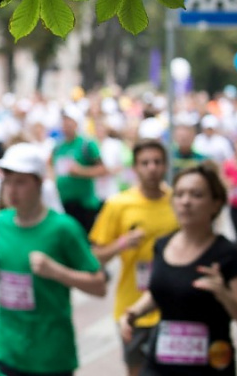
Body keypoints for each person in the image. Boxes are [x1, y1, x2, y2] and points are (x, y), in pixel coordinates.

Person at [0, 142, 107, 375]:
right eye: (7, 181)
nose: (12, 190)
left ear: (38, 183)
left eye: (20, 182)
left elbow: (99, 285)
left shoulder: (63, 228)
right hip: (6, 348)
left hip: (50, 355)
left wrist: (57, 272)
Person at [120, 162, 237, 376]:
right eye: (180, 194)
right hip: (160, 364)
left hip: (210, 365)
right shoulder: (161, 245)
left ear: (216, 203)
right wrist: (133, 313)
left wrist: (224, 294)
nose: (186, 202)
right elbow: (161, 291)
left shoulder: (228, 254)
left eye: (196, 195)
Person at [89, 140, 179, 376]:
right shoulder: (118, 204)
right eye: (145, 163)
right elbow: (95, 257)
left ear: (166, 166)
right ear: (135, 168)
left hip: (173, 307)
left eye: (158, 162)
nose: (152, 168)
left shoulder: (179, 202)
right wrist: (121, 244)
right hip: (132, 309)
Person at [50, 104, 108, 235]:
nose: (65, 125)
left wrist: (81, 171)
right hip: (64, 203)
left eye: (68, 121)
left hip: (85, 205)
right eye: (63, 121)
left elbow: (103, 169)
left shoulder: (87, 144)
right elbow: (51, 167)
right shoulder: (58, 147)